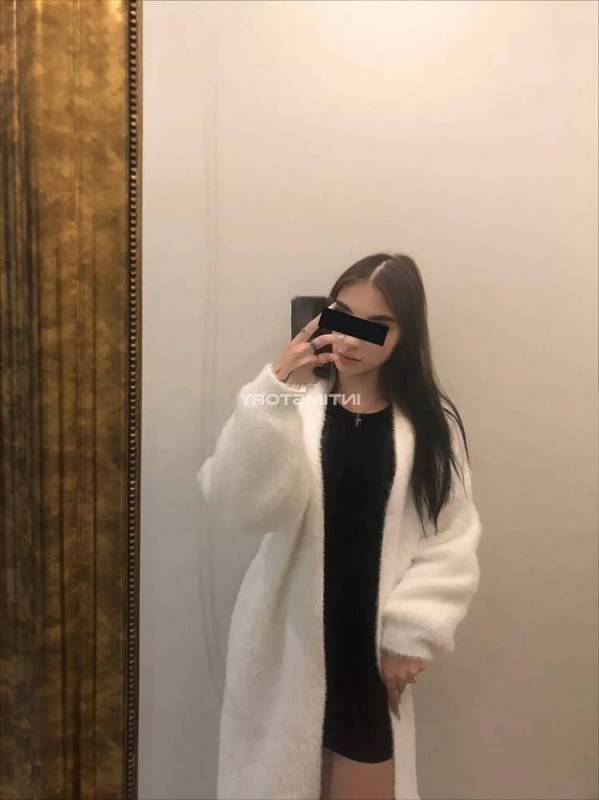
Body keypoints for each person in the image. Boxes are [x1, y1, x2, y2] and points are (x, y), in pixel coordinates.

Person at [198, 252, 482, 800]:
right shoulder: (295, 406)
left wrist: (412, 632)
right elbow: (240, 505)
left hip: (369, 655)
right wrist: (276, 389)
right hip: (289, 647)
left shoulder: (430, 427)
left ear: (405, 335)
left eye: (376, 326)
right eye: (343, 316)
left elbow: (450, 537)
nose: (351, 339)